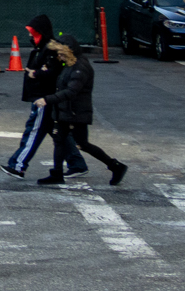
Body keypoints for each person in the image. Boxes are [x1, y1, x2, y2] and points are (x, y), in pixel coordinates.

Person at [38, 35, 127, 186]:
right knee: (59, 140)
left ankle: (115, 166)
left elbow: (72, 91)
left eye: (60, 53)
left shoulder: (80, 68)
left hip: (76, 113)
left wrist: (47, 99)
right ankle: (57, 173)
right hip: (65, 111)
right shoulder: (69, 65)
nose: (58, 57)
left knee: (83, 143)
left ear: (69, 51)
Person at [1, 13, 60, 179]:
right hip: (43, 96)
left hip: (43, 98)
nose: (29, 35)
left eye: (33, 32)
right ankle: (77, 163)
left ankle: (18, 166)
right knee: (56, 133)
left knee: (33, 131)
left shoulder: (47, 50)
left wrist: (36, 74)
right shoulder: (43, 48)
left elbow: (51, 71)